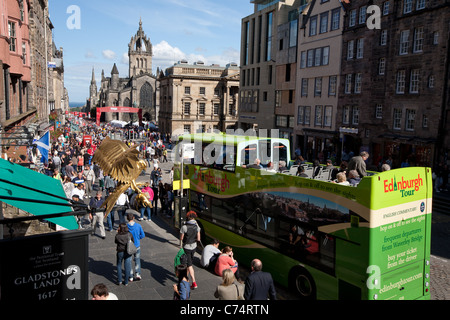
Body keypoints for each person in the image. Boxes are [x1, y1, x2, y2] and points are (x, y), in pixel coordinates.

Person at [179, 211, 201, 289]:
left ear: (188, 217)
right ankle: (185, 278)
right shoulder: (197, 226)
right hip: (194, 247)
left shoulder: (184, 227)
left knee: (189, 265)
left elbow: (181, 238)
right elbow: (198, 239)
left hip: (187, 247)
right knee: (189, 262)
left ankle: (194, 282)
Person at [126, 212, 145, 282]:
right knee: (137, 260)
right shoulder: (138, 226)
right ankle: (138, 274)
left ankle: (130, 276)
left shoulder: (126, 227)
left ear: (127, 219)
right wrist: (137, 238)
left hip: (129, 246)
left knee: (129, 261)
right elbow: (143, 235)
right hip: (137, 245)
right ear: (133, 217)